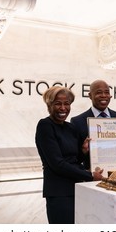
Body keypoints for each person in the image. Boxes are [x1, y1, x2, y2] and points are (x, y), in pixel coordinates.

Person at [35, 86, 103, 224]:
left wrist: (83, 151)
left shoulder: (71, 127)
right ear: (49, 105)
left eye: (67, 103)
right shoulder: (45, 126)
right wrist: (90, 176)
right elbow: (57, 164)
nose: (63, 108)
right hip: (59, 193)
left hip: (78, 189)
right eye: (58, 103)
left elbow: (75, 160)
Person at [70, 80, 116, 169]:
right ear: (90, 96)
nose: (103, 95)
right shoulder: (77, 122)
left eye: (107, 92)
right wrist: (84, 150)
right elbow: (74, 159)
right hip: (91, 179)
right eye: (99, 92)